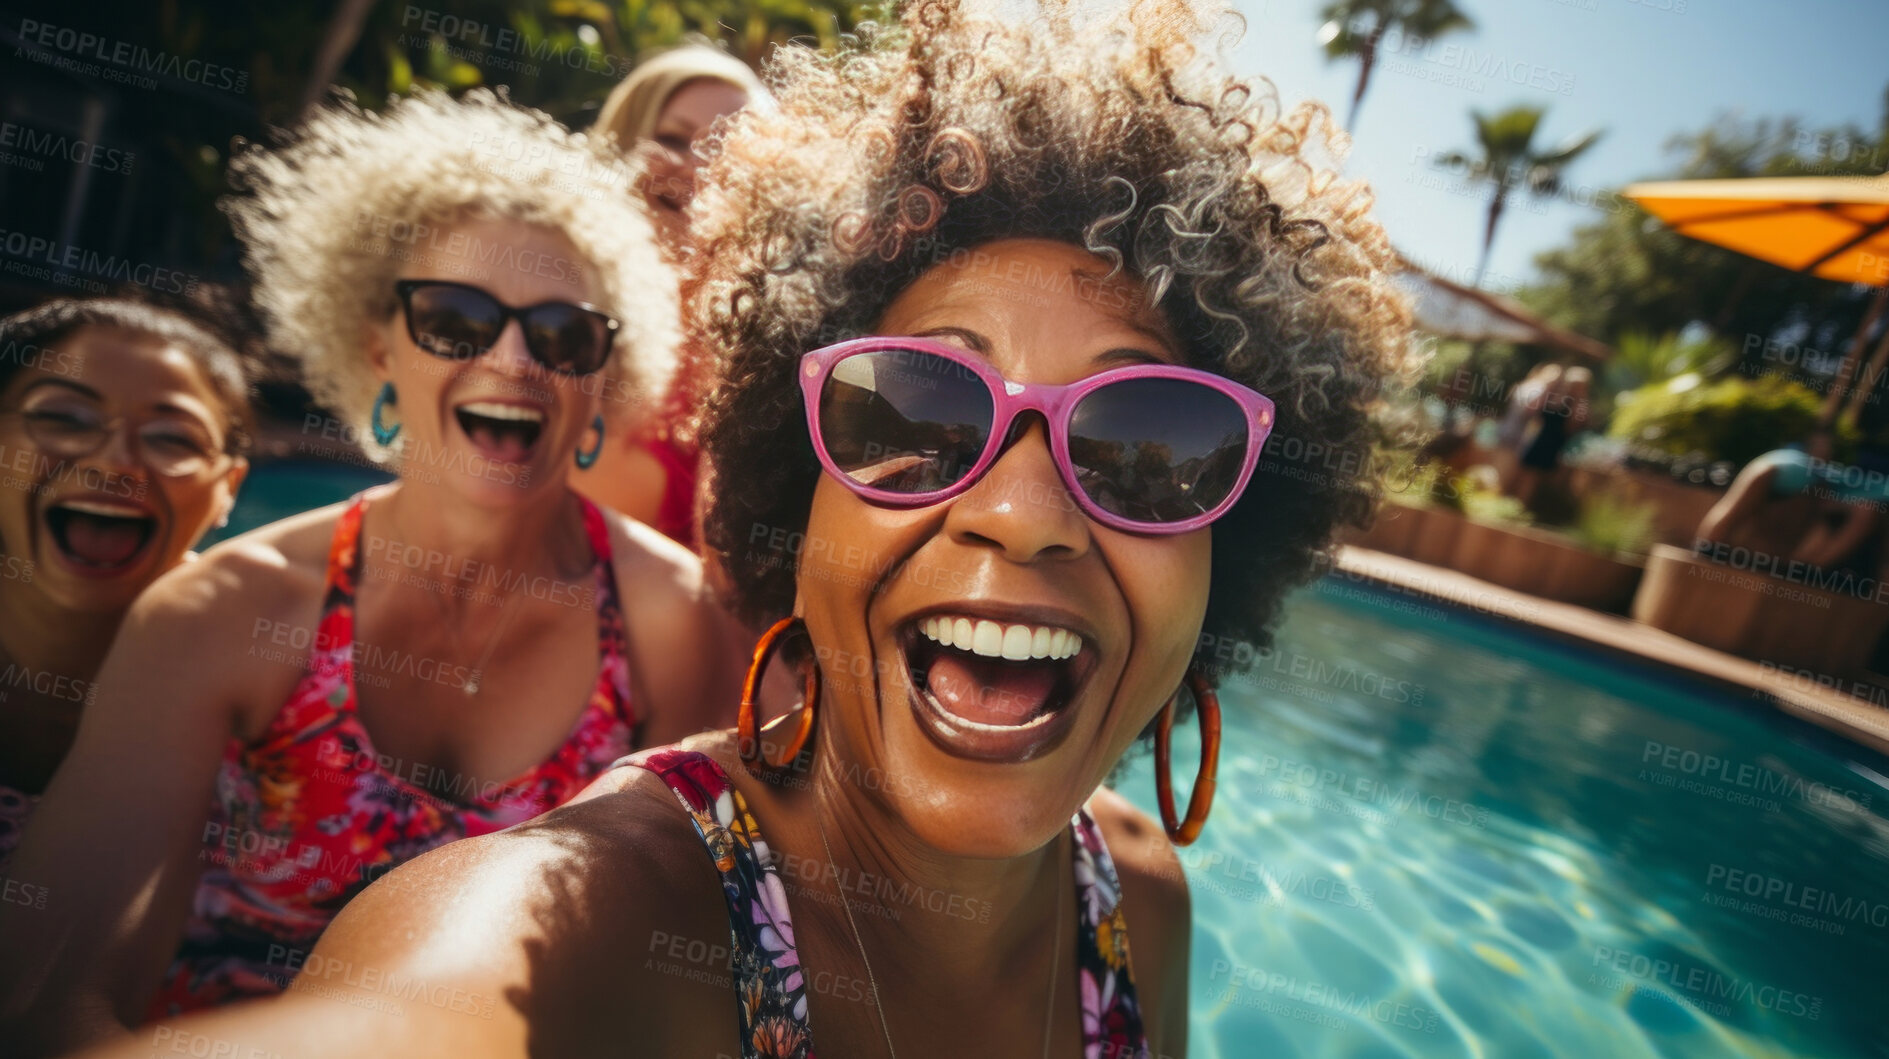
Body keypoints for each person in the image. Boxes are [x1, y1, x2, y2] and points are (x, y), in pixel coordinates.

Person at [76, 2, 1412, 1056]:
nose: (1020, 507)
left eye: (1149, 442)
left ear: (1232, 548)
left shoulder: (1140, 901)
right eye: (918, 407)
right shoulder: (600, 917)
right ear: (795, 502)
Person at [0, 89, 746, 1053]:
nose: (513, 358)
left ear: (604, 372)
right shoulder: (224, 608)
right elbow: (46, 1004)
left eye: (562, 333)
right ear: (375, 345)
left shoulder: (674, 620)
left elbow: (660, 984)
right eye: (454, 318)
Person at [0, 298, 254, 868]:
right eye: (64, 418)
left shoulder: (271, 697)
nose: (117, 463)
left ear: (228, 487)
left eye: (173, 438)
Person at [574, 43, 770, 545]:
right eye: (672, 138)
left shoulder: (765, 347)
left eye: (727, 151)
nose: (695, 168)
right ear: (621, 147)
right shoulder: (545, 295)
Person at [1513, 364, 1590, 511]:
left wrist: (1579, 397)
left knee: (1539, 482)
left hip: (1556, 445)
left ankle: (1526, 509)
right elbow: (1532, 412)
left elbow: (1573, 425)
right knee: (1525, 476)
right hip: (1539, 439)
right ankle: (1517, 507)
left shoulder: (1578, 405)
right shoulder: (1555, 397)